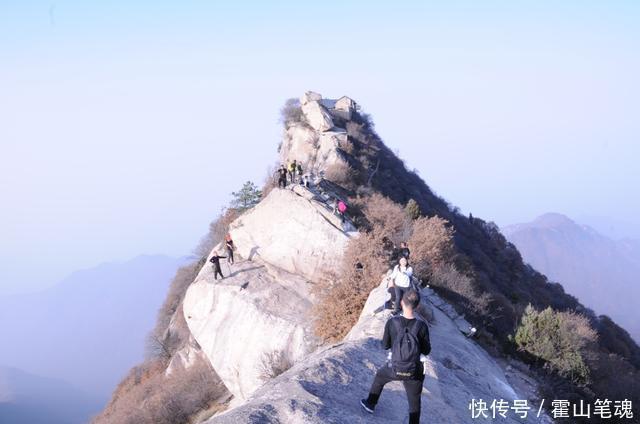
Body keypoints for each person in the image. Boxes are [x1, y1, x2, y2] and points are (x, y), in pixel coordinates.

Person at [360, 289, 430, 424]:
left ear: (402, 302)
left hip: (394, 367)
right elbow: (426, 350)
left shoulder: (392, 322)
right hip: (413, 371)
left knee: (379, 378)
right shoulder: (422, 326)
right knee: (415, 401)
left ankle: (370, 404)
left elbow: (385, 345)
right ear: (417, 306)